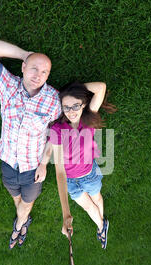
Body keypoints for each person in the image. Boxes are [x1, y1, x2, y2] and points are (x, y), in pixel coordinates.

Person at [0, 39, 61, 249]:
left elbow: (58, 133)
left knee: (27, 204)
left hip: (33, 169)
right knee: (16, 198)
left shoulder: (55, 101)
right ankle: (22, 218)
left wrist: (45, 163)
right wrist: (24, 54)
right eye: (34, 68)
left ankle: (19, 225)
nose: (38, 75)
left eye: (45, 72)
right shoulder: (8, 86)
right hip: (8, 162)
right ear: (23, 67)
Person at [48, 81, 116, 249]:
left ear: (84, 104)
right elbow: (59, 171)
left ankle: (101, 225)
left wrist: (72, 90)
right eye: (66, 107)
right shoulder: (57, 129)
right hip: (70, 182)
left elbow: (100, 87)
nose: (71, 112)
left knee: (97, 198)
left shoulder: (88, 117)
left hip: (89, 175)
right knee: (88, 207)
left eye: (76, 105)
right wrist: (66, 213)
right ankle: (101, 226)